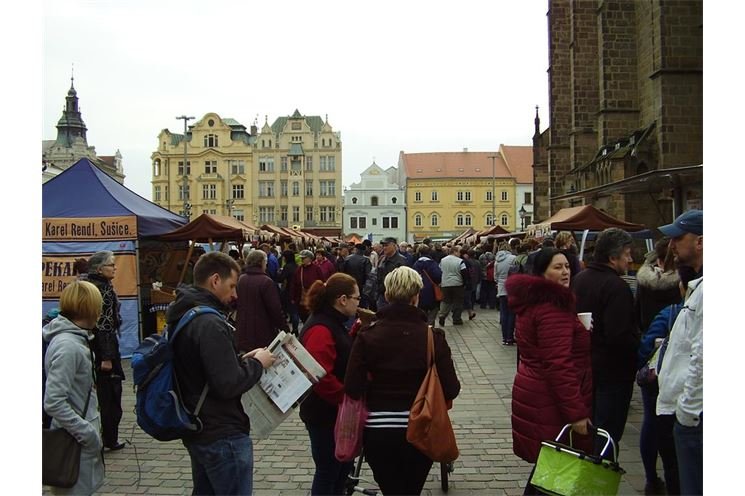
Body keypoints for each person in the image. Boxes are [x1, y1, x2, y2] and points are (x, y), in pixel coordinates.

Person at [168, 251, 276, 495]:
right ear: (215, 280)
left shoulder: (184, 311)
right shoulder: (209, 322)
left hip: (199, 425)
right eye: (231, 286)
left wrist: (239, 360)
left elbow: (204, 366)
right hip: (221, 432)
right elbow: (227, 383)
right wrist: (258, 364)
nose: (235, 294)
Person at [345, 266, 460, 495]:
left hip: (379, 432)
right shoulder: (432, 337)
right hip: (421, 429)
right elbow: (452, 388)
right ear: (417, 297)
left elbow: (352, 387)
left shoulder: (368, 336)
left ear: (387, 295)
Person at [507, 248, 593, 495]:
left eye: (567, 266)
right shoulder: (552, 308)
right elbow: (558, 364)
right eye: (557, 267)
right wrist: (576, 414)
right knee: (556, 469)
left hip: (536, 391)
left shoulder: (538, 302)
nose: (565, 271)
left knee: (549, 468)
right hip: (550, 399)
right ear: (542, 272)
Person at [571, 227, 640, 448]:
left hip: (586, 367)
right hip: (612, 372)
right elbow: (618, 336)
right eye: (627, 254)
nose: (630, 260)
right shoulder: (617, 286)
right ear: (613, 257)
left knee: (592, 429)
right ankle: (598, 477)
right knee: (607, 433)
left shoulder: (580, 279)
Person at [637, 264, 697, 496]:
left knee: (663, 443)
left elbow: (643, 348)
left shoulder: (672, 312)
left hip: (666, 388)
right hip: (690, 397)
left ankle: (653, 478)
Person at [298, 273, 360, 495]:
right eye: (357, 298)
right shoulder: (321, 327)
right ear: (342, 299)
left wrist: (352, 334)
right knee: (328, 471)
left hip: (333, 413)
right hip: (324, 415)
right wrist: (346, 399)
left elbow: (337, 351)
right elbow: (319, 375)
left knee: (341, 469)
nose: (358, 303)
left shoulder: (332, 321)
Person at [656, 209, 703, 496]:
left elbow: (704, 356)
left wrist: (687, 412)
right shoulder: (699, 286)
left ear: (701, 242)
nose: (672, 245)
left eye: (678, 238)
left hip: (693, 415)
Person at [43, 281, 106, 495]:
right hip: (73, 440)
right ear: (90, 308)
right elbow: (53, 401)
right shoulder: (68, 346)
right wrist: (86, 432)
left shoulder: (76, 340)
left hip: (78, 438)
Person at [85, 250, 125, 451]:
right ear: (99, 269)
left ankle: (102, 436)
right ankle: (110, 438)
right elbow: (105, 326)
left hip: (89, 347)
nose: (115, 268)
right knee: (110, 394)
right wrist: (108, 357)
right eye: (111, 264)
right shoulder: (104, 290)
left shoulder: (86, 285)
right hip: (103, 351)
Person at [235, 249, 289, 352]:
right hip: (262, 331)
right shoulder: (266, 281)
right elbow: (275, 309)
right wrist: (284, 328)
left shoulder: (241, 279)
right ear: (262, 262)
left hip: (243, 330)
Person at [412, 244, 442, 326]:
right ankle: (430, 329)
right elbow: (438, 276)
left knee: (422, 312)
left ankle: (423, 328)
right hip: (432, 292)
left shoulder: (416, 264)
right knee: (433, 311)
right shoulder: (433, 264)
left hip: (420, 292)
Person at [437, 245, 467, 326]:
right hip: (457, 283)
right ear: (455, 252)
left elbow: (439, 270)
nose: (460, 254)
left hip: (445, 283)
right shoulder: (460, 261)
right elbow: (464, 272)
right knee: (458, 302)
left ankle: (442, 315)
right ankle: (456, 319)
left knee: (445, 301)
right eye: (459, 252)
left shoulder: (442, 260)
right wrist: (465, 283)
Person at [293, 250, 325, 323]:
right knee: (304, 316)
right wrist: (293, 297)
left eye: (304, 258)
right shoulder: (299, 269)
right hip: (302, 298)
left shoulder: (316, 268)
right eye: (302, 258)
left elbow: (321, 282)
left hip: (314, 297)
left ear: (310, 258)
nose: (302, 260)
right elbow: (294, 283)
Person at [375, 237, 407, 310]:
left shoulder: (402, 260)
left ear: (394, 246)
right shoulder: (382, 259)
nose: (384, 248)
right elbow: (377, 276)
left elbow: (404, 281)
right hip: (382, 295)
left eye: (386, 245)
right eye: (383, 246)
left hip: (395, 297)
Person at [496, 242, 517, 345]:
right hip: (511, 287)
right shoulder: (513, 258)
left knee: (503, 313)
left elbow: (495, 276)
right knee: (511, 313)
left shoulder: (497, 260)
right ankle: (510, 337)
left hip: (501, 289)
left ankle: (504, 337)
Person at [341, 243, 372, 309]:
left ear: (356, 249)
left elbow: (342, 273)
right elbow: (369, 276)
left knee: (349, 306)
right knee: (361, 309)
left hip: (348, 286)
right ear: (363, 251)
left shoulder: (347, 259)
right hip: (361, 288)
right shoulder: (366, 260)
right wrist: (367, 291)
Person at [277, 249, 300, 334]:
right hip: (297, 290)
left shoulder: (287, 267)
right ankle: (296, 328)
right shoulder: (297, 266)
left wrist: (279, 273)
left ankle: (294, 329)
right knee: (295, 311)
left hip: (289, 291)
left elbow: (281, 278)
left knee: (292, 311)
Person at [462, 249, 480, 320]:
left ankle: (469, 310)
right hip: (474, 281)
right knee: (472, 295)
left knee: (468, 296)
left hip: (468, 281)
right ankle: (471, 308)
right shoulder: (477, 262)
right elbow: (479, 271)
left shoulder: (465, 261)